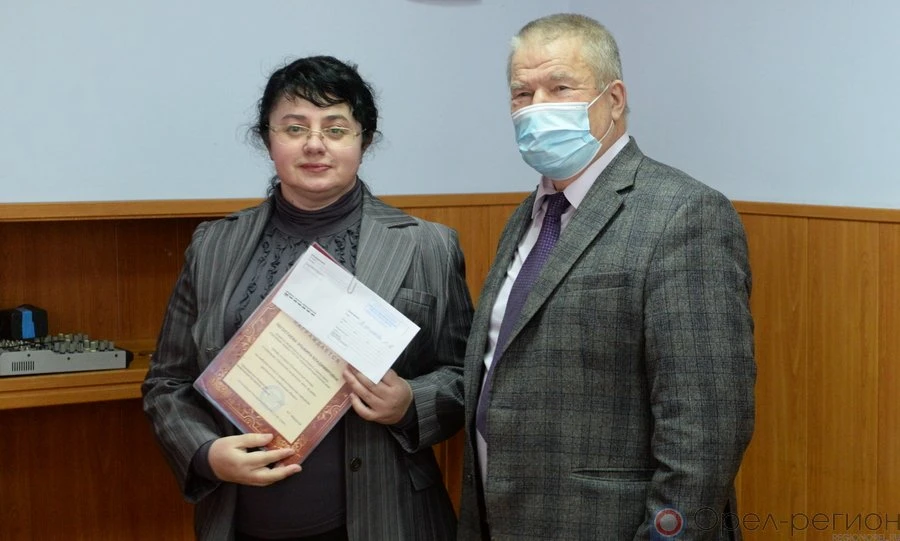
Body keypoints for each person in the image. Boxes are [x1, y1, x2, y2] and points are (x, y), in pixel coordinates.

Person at [142, 55, 473, 541]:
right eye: (294, 128)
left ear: (364, 141)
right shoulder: (214, 244)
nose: (315, 144)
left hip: (388, 517)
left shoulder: (427, 246)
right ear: (267, 139)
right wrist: (205, 454)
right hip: (242, 520)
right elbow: (167, 381)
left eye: (336, 129)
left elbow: (466, 377)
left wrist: (410, 402)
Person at [457, 14, 756, 540]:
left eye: (560, 88)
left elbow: (706, 429)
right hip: (503, 518)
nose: (537, 107)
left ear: (614, 100)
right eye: (522, 93)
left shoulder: (684, 214)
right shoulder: (528, 215)